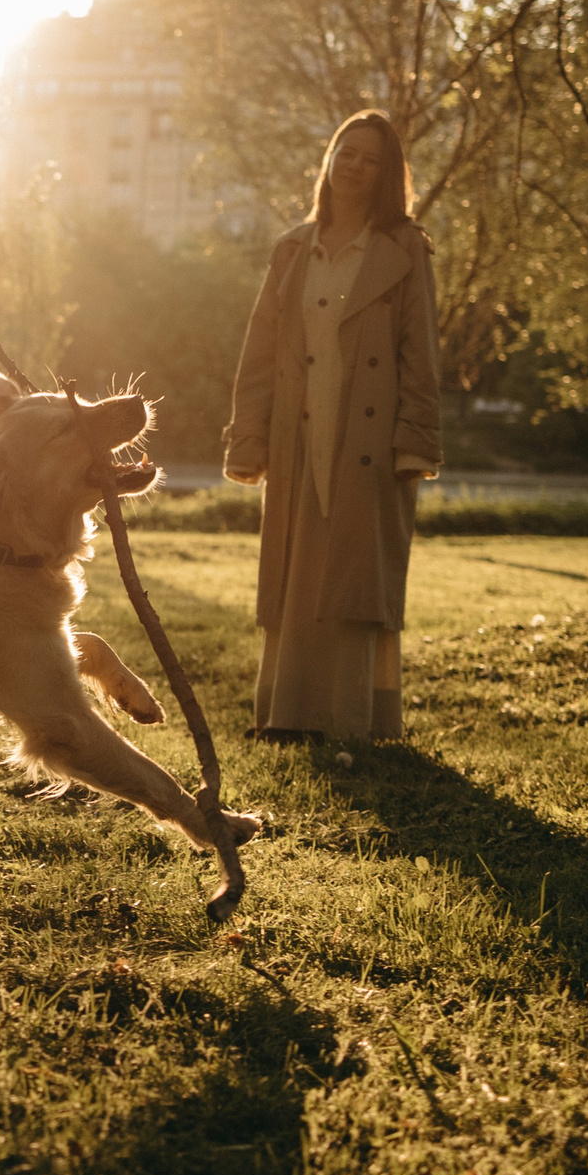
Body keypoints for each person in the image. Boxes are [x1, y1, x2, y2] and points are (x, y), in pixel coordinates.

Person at [221, 111, 441, 740]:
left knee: (353, 577)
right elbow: (259, 351)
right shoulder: (292, 249)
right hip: (299, 432)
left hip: (371, 441)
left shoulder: (405, 251)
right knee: (295, 571)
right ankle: (286, 716)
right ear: (330, 159)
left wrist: (414, 444)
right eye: (347, 152)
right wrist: (249, 438)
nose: (355, 166)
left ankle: (354, 721)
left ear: (387, 173)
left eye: (371, 158)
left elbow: (419, 354)